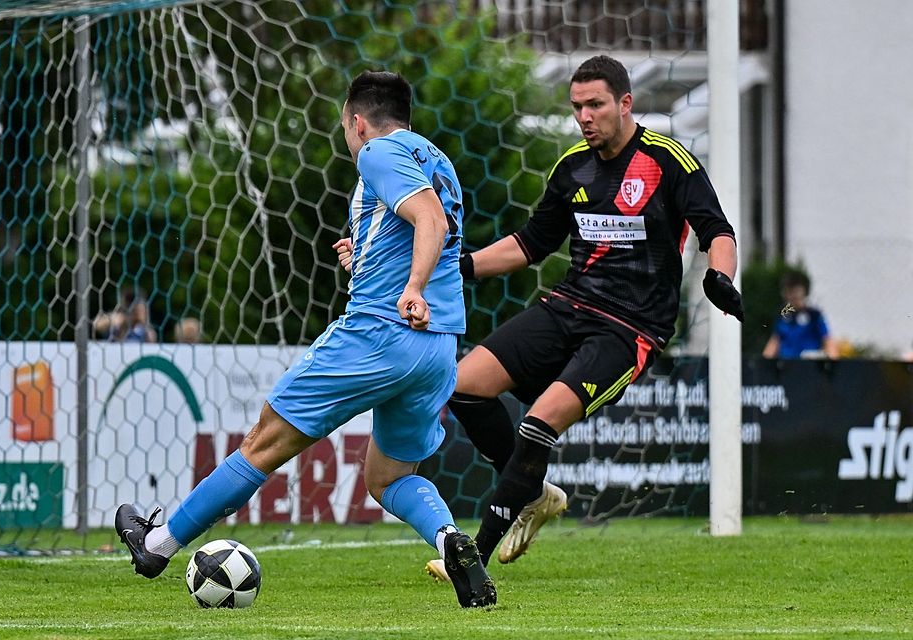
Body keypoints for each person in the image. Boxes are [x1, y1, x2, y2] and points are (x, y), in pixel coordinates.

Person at [114, 70, 496, 609]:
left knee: (263, 442)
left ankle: (154, 546)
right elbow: (418, 229)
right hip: (436, 349)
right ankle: (450, 540)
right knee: (387, 479)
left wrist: (408, 289)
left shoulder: (377, 153)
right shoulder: (438, 160)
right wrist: (364, 260)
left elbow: (428, 221)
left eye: (345, 123)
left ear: (357, 121)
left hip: (381, 333)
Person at [408, 55, 744, 579]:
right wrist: (454, 268)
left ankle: (471, 559)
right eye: (577, 107)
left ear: (625, 103)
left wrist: (720, 276)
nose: (585, 117)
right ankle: (533, 493)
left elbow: (717, 231)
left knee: (539, 422)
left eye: (596, 105)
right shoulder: (572, 167)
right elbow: (530, 244)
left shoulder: (667, 160)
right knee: (464, 384)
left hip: (630, 329)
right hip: (569, 305)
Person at [762, 271, 838, 360]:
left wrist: (833, 362)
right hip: (786, 366)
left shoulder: (814, 316)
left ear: (804, 292)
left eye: (796, 292)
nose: (793, 296)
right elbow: (775, 341)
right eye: (789, 292)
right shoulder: (782, 317)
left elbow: (827, 340)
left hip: (808, 366)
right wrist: (764, 363)